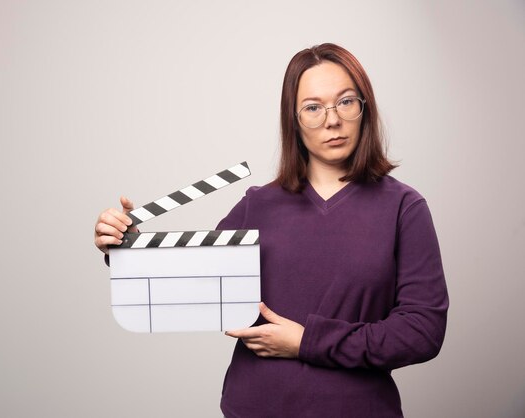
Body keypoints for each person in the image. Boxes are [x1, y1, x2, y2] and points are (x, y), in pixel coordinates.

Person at [94, 43, 449, 418]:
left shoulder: (403, 208)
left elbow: (421, 332)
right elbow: (190, 291)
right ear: (293, 120)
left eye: (345, 102)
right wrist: (122, 245)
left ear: (365, 108)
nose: (332, 120)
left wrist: (308, 342)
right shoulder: (258, 205)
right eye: (313, 108)